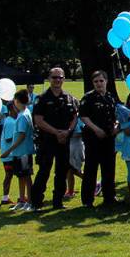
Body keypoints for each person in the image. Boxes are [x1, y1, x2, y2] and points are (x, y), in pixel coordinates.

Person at [31, 67, 79, 210]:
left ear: (64, 79)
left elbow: (75, 117)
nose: (57, 80)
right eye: (54, 77)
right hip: (47, 141)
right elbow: (39, 120)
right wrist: (56, 133)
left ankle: (58, 202)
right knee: (44, 171)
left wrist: (67, 131)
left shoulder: (69, 98)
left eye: (60, 77)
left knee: (62, 172)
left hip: (64, 141)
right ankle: (36, 203)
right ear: (49, 79)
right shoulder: (42, 99)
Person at [79, 70, 119, 207]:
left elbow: (116, 116)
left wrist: (116, 126)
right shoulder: (88, 98)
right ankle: (87, 200)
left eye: (101, 81)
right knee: (91, 169)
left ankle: (109, 197)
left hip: (108, 138)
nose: (99, 84)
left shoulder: (110, 97)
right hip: (93, 138)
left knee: (109, 169)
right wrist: (96, 129)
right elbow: (83, 116)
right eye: (96, 81)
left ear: (106, 81)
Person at [1, 90, 36, 212]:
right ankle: (22, 200)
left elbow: (21, 136)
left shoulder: (22, 116)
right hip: (19, 152)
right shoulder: (24, 113)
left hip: (23, 152)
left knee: (26, 177)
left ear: (16, 101)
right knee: (20, 176)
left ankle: (30, 202)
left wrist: (8, 150)